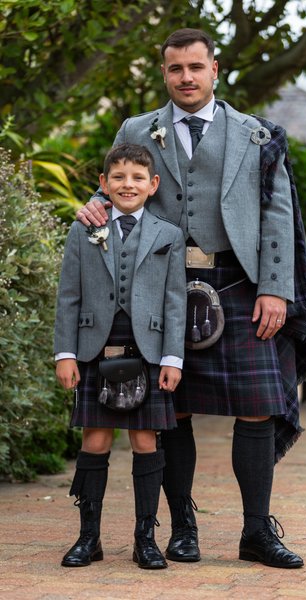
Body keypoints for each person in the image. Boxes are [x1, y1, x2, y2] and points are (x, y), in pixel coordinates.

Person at [77, 28, 306, 569]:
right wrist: (94, 206)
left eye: (195, 67)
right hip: (160, 289)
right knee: (175, 410)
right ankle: (183, 529)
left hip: (239, 287)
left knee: (259, 408)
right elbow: (116, 188)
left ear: (215, 69)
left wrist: (275, 289)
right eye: (175, 69)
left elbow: (277, 218)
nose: (185, 78)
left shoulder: (257, 135)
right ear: (163, 72)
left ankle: (257, 532)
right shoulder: (137, 129)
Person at [54, 143, 187, 569]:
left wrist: (172, 358)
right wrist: (65, 353)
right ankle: (87, 537)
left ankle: (145, 539)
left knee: (146, 440)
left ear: (153, 185)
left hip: (148, 351)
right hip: (95, 349)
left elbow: (174, 303)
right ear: (103, 184)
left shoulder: (169, 235)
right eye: (118, 177)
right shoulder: (84, 229)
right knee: (94, 439)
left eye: (136, 178)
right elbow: (69, 297)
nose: (127, 185)